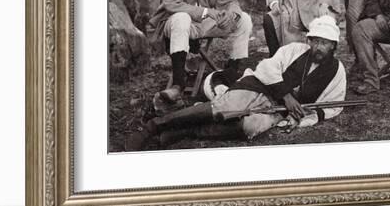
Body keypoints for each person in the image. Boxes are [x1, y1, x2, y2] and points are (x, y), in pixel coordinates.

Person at [125, 16, 346, 150]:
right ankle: (153, 127)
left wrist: (302, 118)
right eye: (315, 41)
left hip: (278, 111)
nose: (317, 47)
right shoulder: (295, 50)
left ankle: (180, 133)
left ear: (333, 46)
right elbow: (267, 68)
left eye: (324, 43)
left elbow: (333, 105)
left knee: (248, 127)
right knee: (223, 108)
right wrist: (287, 95)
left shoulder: (337, 72)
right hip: (258, 87)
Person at [149, 0, 252, 100]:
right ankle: (178, 85)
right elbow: (172, 4)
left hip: (204, 25)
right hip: (177, 24)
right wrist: (206, 11)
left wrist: (231, 15)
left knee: (244, 19)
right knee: (181, 17)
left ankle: (231, 74)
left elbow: (231, 1)